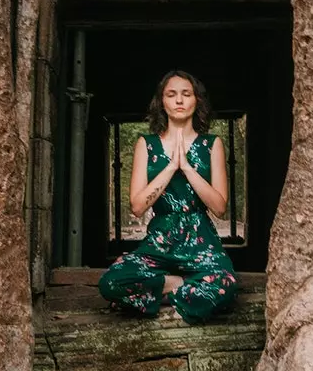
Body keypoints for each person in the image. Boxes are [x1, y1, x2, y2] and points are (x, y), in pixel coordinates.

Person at [98, 70, 239, 324]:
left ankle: (162, 294)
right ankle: (183, 287)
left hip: (201, 243)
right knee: (112, 282)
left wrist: (186, 167)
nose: (179, 101)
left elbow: (219, 208)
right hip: (159, 243)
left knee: (226, 285)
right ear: (162, 102)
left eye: (186, 94)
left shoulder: (212, 144)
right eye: (171, 94)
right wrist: (170, 167)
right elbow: (138, 207)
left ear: (197, 101)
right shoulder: (146, 144)